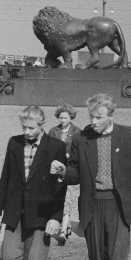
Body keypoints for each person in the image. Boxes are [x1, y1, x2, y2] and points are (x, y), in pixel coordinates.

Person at [49, 94, 131, 260]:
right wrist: (63, 171)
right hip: (92, 205)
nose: (93, 121)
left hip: (119, 207)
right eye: (91, 116)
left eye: (99, 117)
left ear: (111, 115)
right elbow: (75, 173)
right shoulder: (81, 137)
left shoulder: (129, 135)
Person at [0, 106, 67, 260]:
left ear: (42, 126)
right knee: (7, 259)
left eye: (31, 128)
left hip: (42, 215)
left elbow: (61, 187)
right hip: (15, 212)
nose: (27, 132)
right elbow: (5, 177)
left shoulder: (56, 147)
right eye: (24, 127)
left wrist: (56, 218)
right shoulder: (14, 143)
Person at [48, 104, 82, 243]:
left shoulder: (77, 132)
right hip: (56, 170)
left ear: (71, 117)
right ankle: (66, 226)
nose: (63, 120)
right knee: (57, 196)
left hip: (70, 169)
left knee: (69, 198)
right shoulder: (53, 131)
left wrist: (69, 155)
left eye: (65, 118)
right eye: (61, 117)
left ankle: (63, 230)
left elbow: (80, 150)